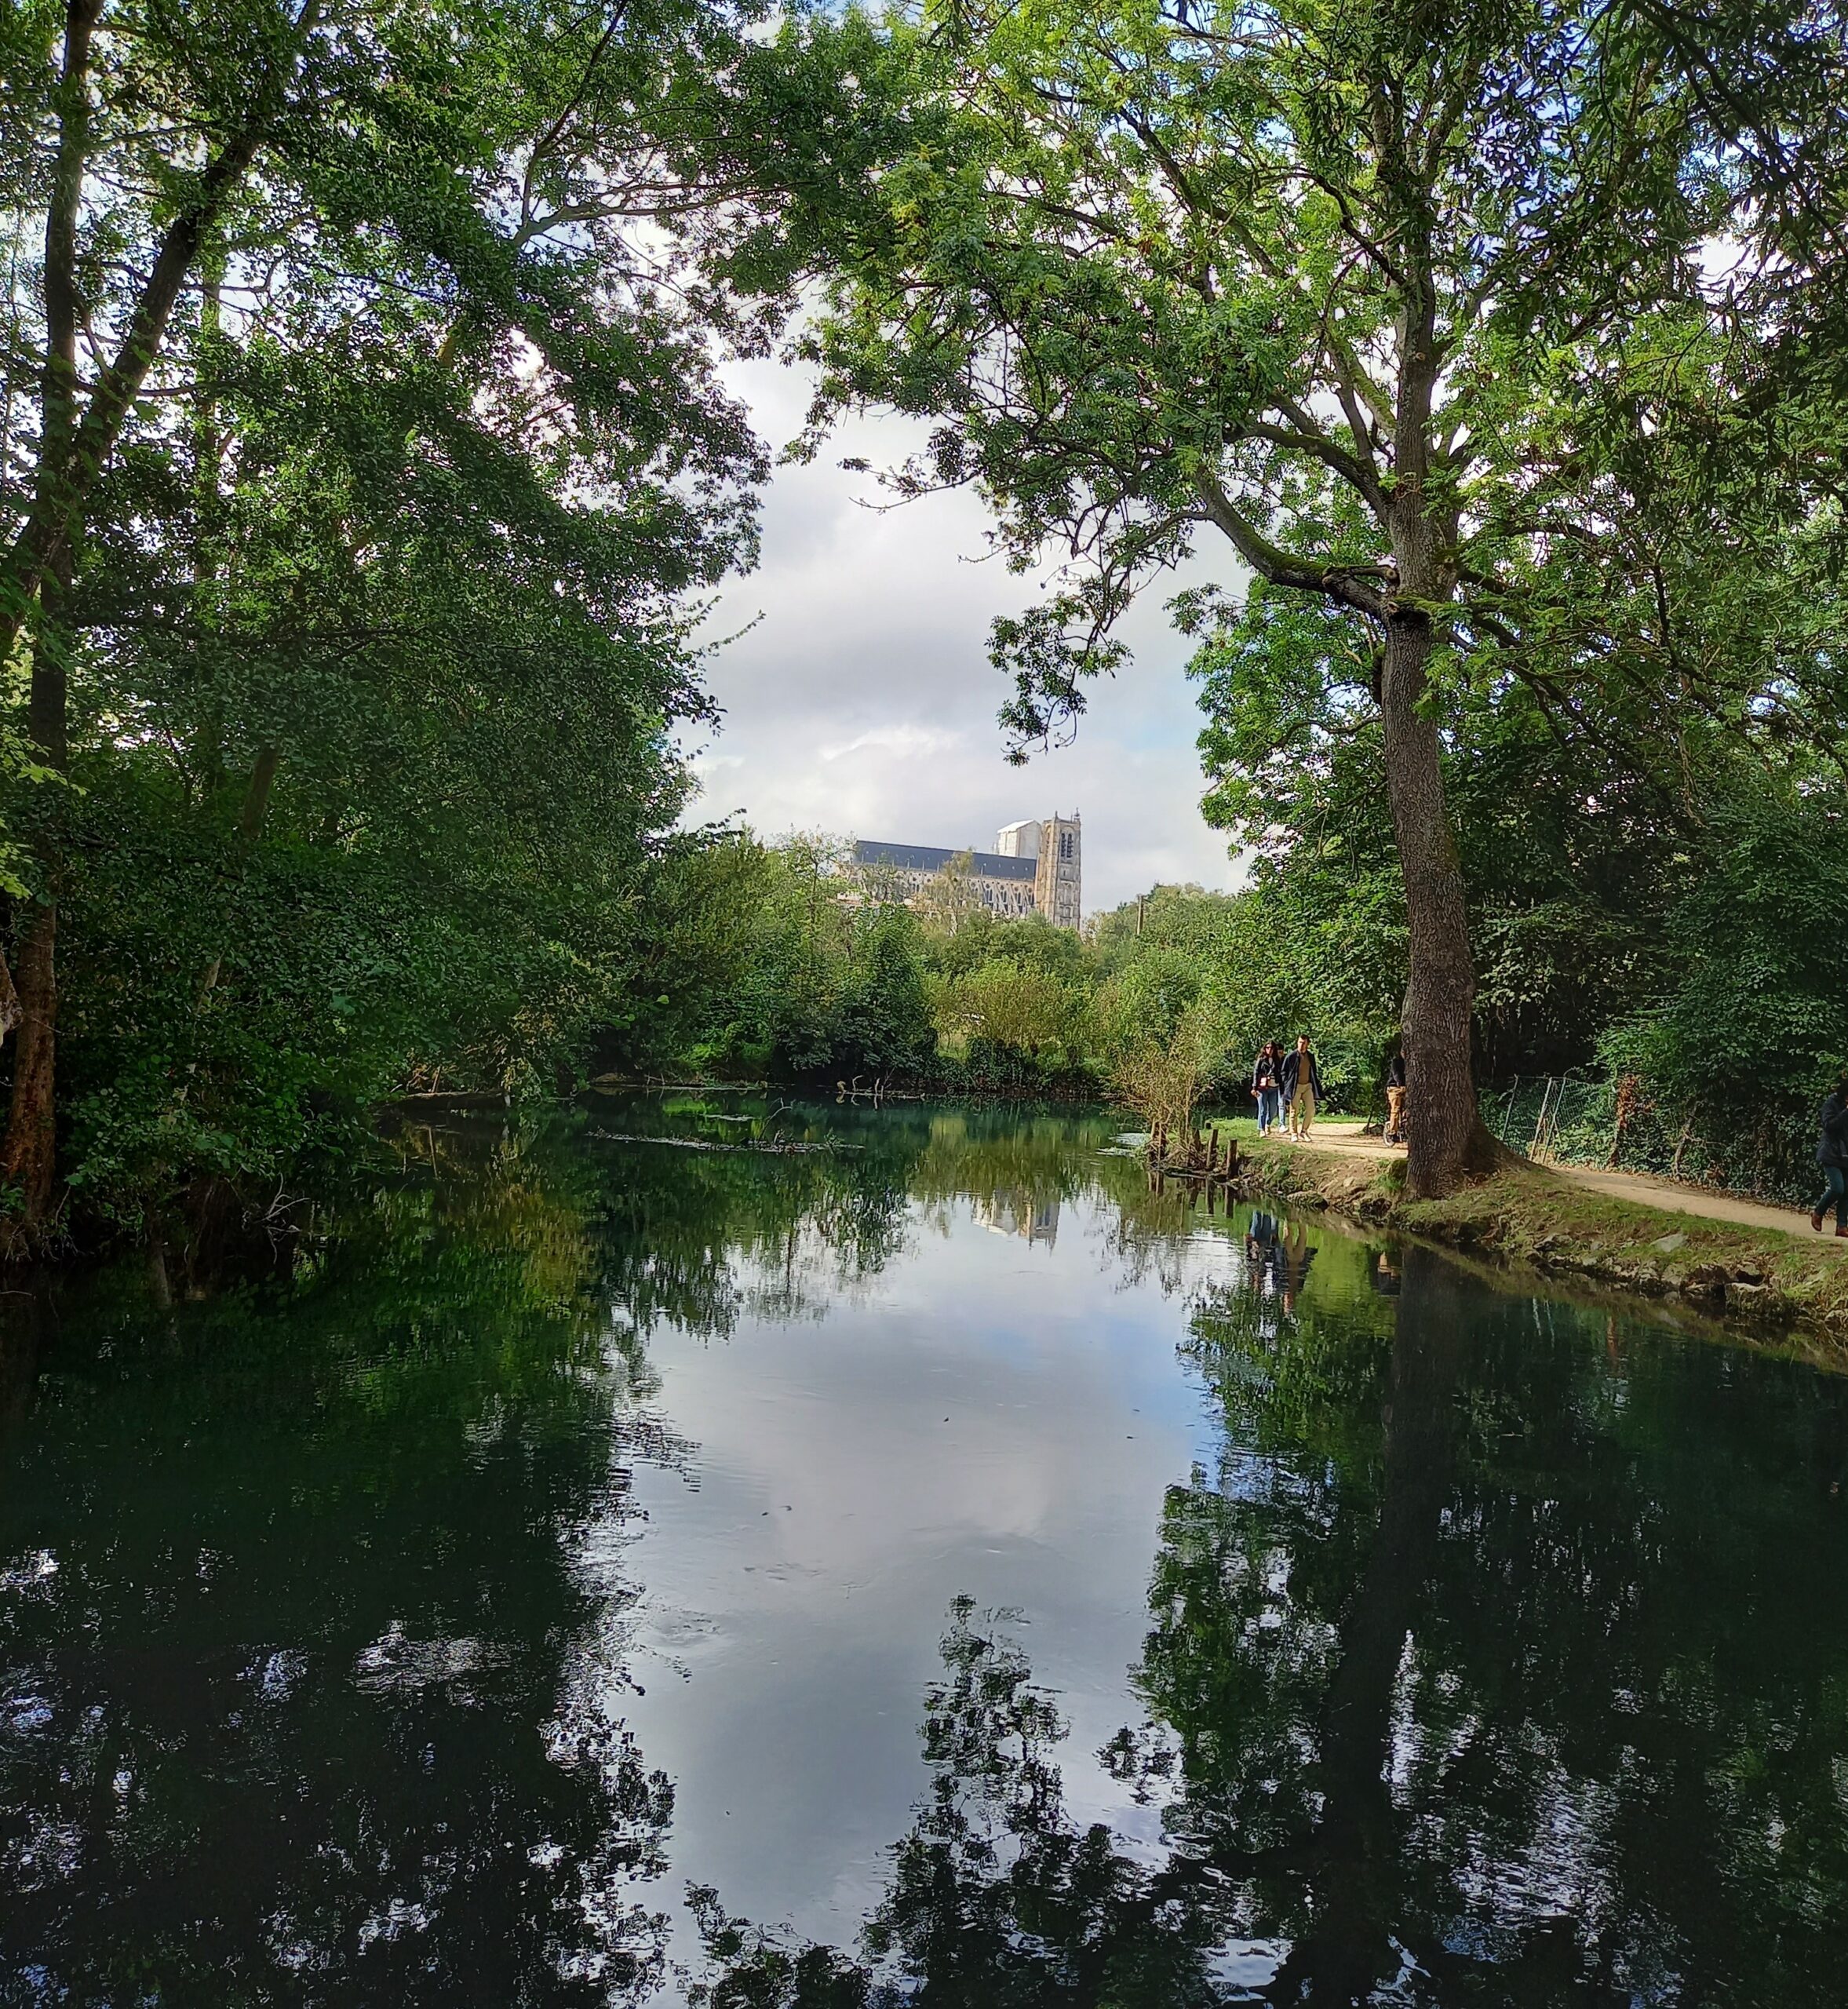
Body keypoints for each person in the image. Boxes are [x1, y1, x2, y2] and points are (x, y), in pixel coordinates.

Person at [1812, 1074, 1848, 1237]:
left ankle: (1842, 1226)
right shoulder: (1831, 1103)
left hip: (1846, 1153)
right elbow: (1829, 1125)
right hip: (1830, 1151)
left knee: (1847, 1191)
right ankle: (1819, 1212)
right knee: (1837, 1188)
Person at [1281, 1034, 1323, 1140]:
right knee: (1294, 1111)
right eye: (1300, 1042)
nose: (1301, 1045)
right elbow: (1283, 1072)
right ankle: (1293, 1133)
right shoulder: (1291, 1056)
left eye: (1304, 1043)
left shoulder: (1310, 1056)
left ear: (1308, 1044)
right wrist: (1287, 1084)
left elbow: (1313, 1071)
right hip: (1295, 1087)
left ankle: (1304, 1131)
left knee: (1311, 1109)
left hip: (1307, 1086)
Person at [1252, 1041, 1284, 1136]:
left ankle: (1267, 1123)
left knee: (1273, 1111)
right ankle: (1261, 1129)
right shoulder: (1261, 1060)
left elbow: (1281, 1073)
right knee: (1263, 1109)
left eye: (1271, 1048)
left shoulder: (1277, 1060)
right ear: (1265, 1049)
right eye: (1267, 1048)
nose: (1269, 1050)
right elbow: (1256, 1073)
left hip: (1274, 1087)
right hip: (1262, 1088)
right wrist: (1254, 1087)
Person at [1383, 1050, 1408, 1146]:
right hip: (1394, 1088)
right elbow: (1396, 1074)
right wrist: (1400, 1085)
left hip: (1405, 1088)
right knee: (1396, 1109)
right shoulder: (1396, 1062)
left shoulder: (1410, 1062)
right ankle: (1392, 1132)